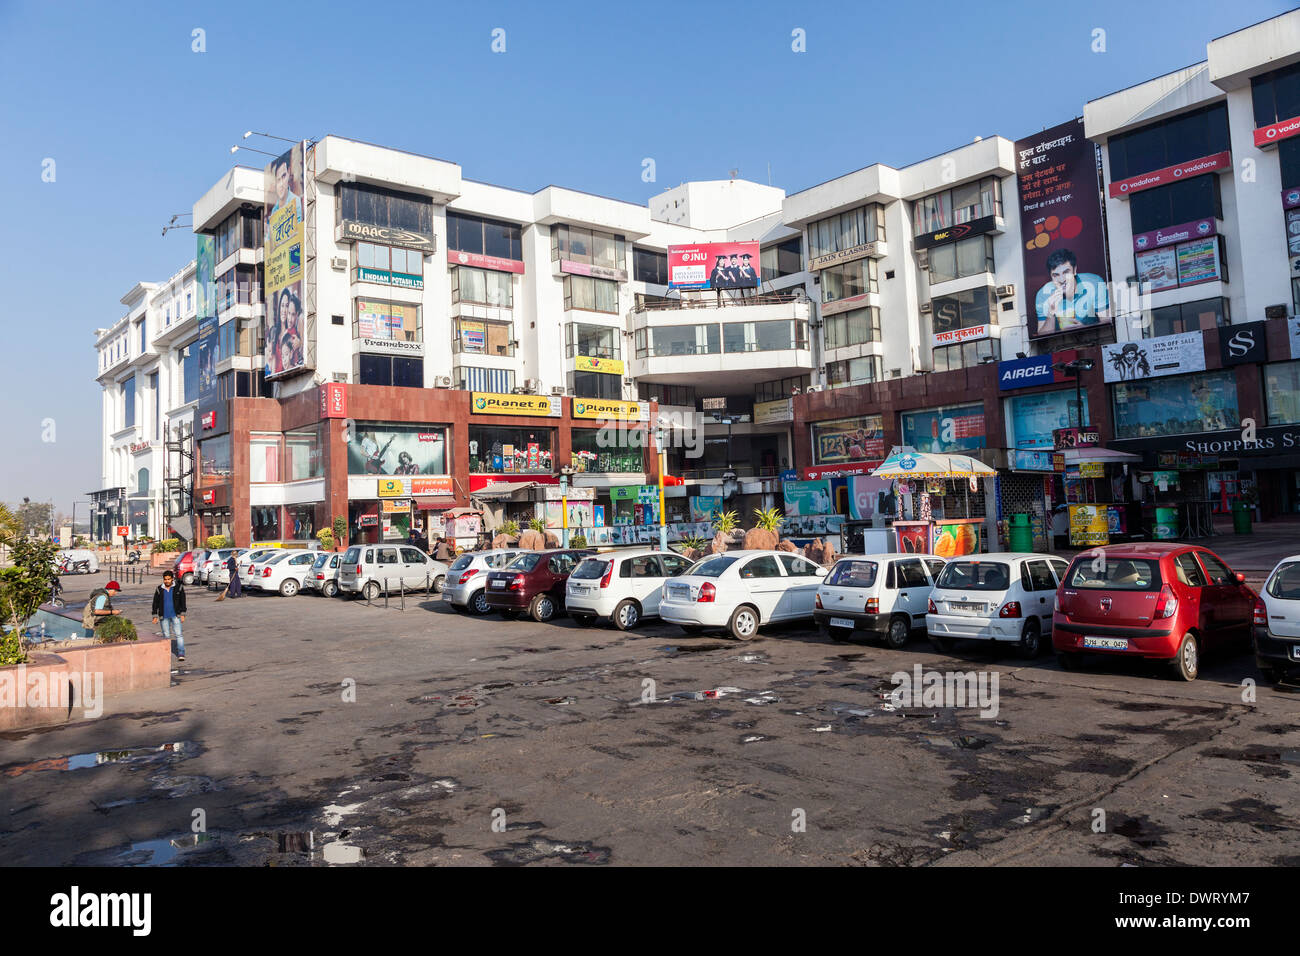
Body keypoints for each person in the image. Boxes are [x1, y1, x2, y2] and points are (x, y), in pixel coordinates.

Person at [1034, 248, 1111, 335]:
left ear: (1075, 270)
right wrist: (1050, 313)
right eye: (1056, 275)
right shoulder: (1042, 295)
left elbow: (1107, 323)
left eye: (1066, 272)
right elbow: (1042, 336)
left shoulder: (1095, 283)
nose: (1062, 280)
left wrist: (1084, 329)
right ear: (1051, 277)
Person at [152, 570, 188, 662]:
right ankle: (166, 653)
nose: (167, 581)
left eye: (169, 579)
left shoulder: (179, 587)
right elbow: (155, 603)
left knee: (178, 635)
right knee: (166, 636)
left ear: (172, 579)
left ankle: (181, 653)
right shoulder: (159, 589)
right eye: (165, 579)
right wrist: (155, 615)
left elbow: (183, 601)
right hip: (163, 616)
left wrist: (183, 613)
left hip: (176, 615)